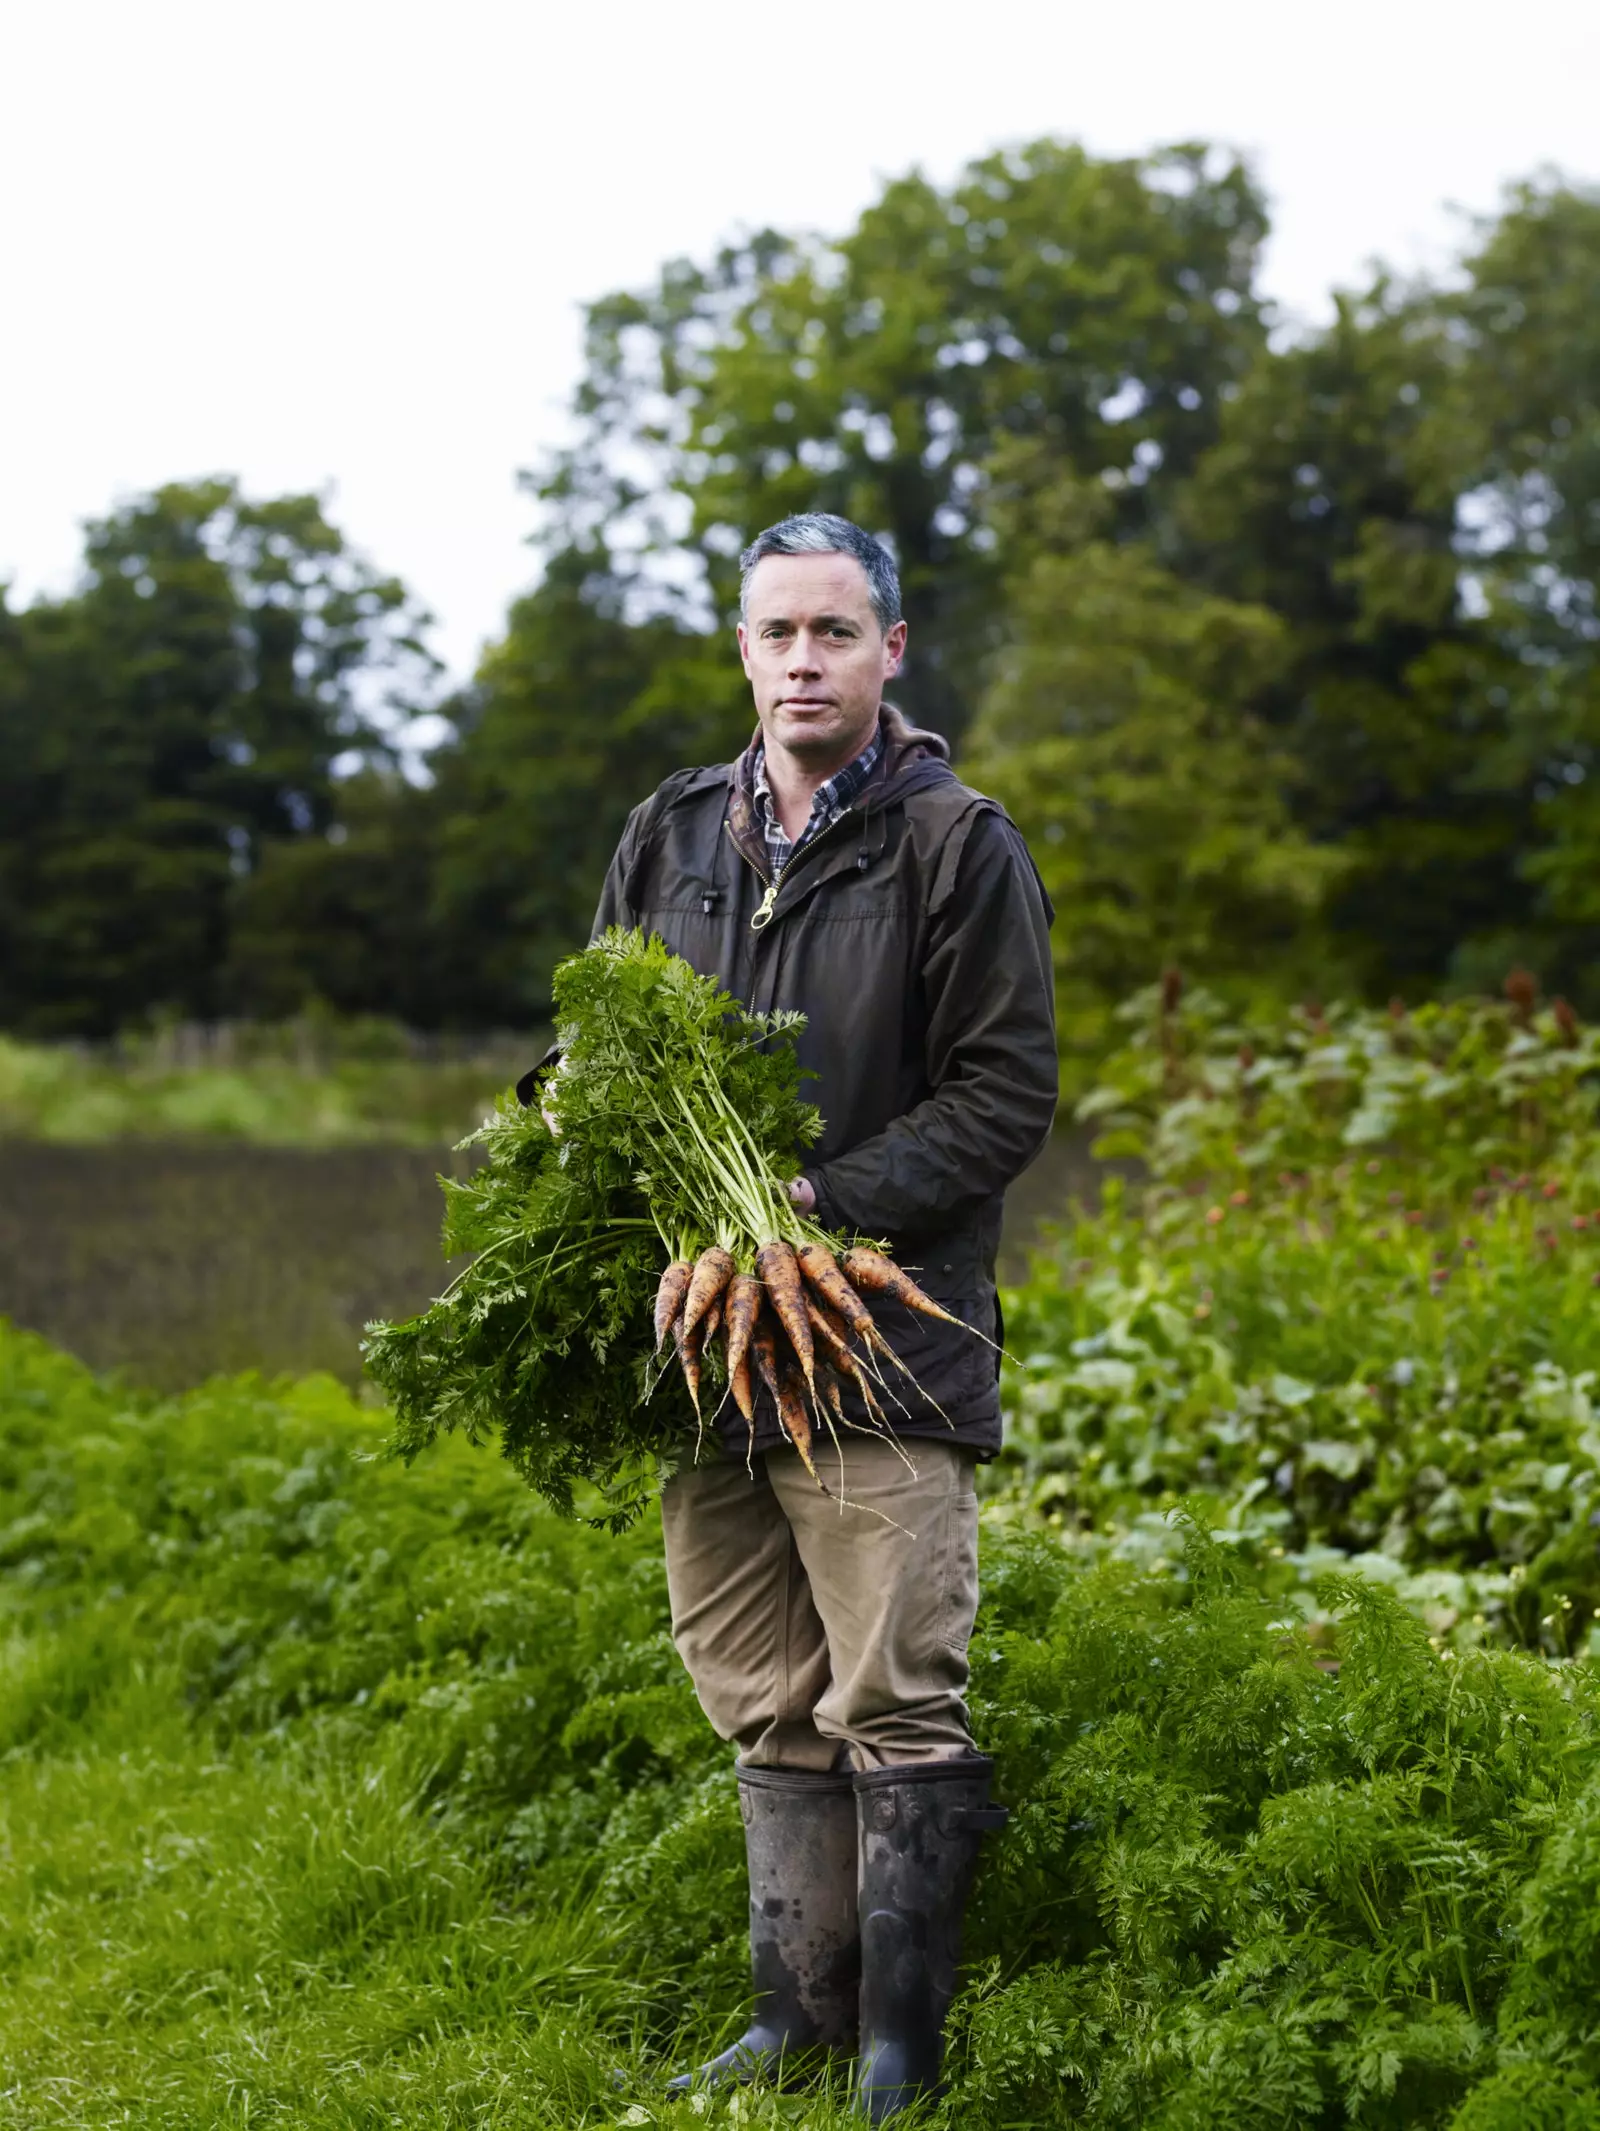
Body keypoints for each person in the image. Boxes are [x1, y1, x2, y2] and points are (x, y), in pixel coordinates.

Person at [579, 513, 1057, 2118]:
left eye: (835, 633)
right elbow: (600, 1052)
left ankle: (896, 2058)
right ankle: (795, 2017)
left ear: (891, 651)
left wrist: (805, 1220)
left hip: (880, 1339)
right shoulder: (669, 835)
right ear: (741, 648)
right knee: (760, 1688)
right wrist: (588, 1147)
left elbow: (1005, 1094)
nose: (804, 660)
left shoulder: (955, 843)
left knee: (895, 1692)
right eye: (777, 632)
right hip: (705, 1349)